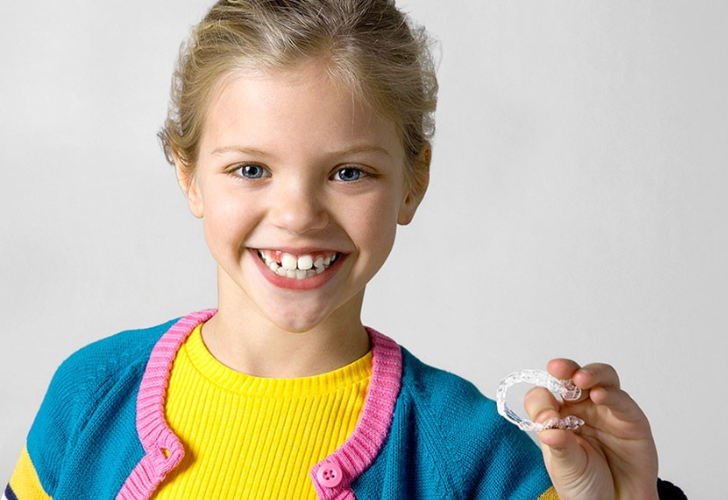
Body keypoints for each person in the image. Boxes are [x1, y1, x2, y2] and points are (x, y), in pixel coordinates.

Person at [4, 1, 686, 499]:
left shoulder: (472, 457)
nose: (298, 214)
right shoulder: (88, 397)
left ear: (413, 184)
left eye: (349, 172)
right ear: (187, 175)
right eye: (250, 169)